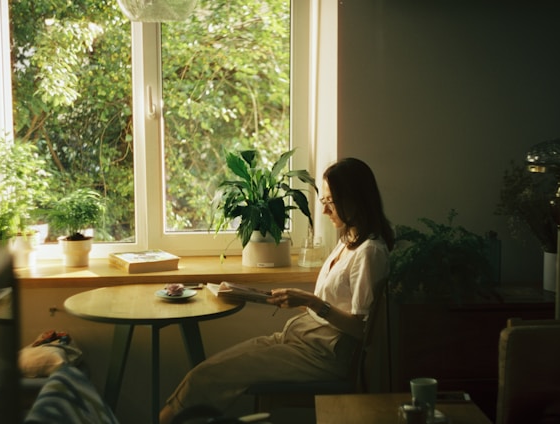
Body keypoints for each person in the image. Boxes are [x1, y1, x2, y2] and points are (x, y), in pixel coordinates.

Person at [159, 157, 395, 424]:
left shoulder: (370, 252)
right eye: (324, 201)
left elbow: (364, 330)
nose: (326, 210)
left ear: (356, 199)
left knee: (211, 376)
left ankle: (165, 419)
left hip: (324, 353)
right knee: (207, 371)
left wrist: (313, 302)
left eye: (332, 202)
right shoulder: (348, 241)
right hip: (301, 337)